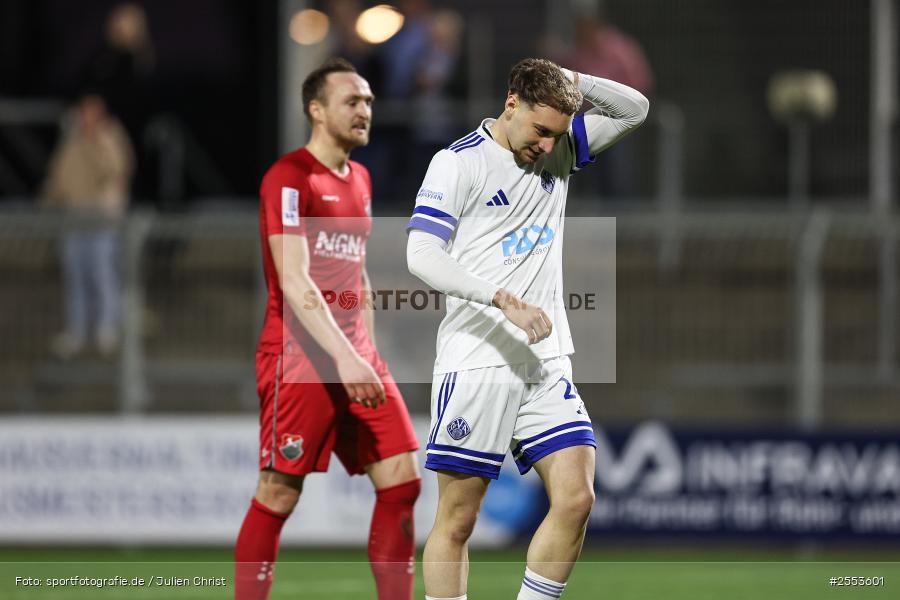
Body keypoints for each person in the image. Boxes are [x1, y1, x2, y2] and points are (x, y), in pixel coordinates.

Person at [406, 58, 648, 599]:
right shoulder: (457, 163)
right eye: (540, 131)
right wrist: (500, 299)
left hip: (545, 357)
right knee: (459, 520)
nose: (546, 146)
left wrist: (573, 82)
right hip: (479, 358)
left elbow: (635, 109)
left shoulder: (560, 147)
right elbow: (421, 253)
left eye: (556, 134)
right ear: (511, 101)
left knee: (577, 497)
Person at [234, 58, 421, 600]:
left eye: (368, 102)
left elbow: (355, 273)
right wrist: (343, 357)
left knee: (402, 481)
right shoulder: (289, 178)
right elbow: (295, 280)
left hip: (353, 354)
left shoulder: (360, 179)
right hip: (300, 359)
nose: (365, 110)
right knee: (277, 493)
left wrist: (368, 349)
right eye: (352, 101)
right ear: (316, 110)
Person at [41, 93, 134, 359]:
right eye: (84, 111)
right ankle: (77, 330)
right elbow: (59, 176)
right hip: (74, 217)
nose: (87, 117)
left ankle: (107, 328)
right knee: (75, 277)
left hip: (103, 218)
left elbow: (115, 170)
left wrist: (94, 142)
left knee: (103, 274)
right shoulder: (71, 140)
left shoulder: (111, 137)